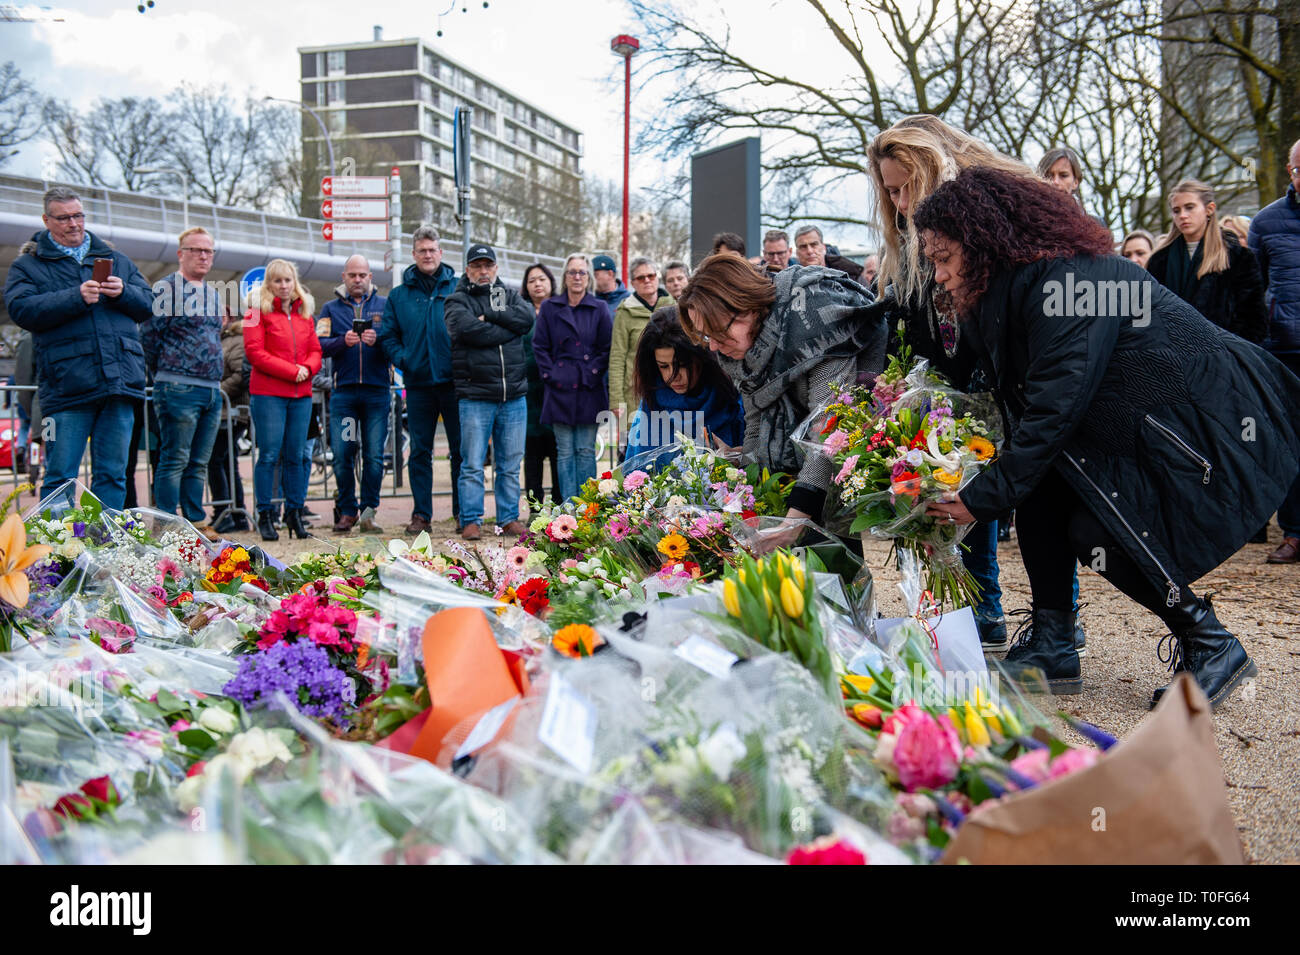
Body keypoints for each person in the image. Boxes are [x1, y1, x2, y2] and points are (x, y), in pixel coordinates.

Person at [915, 165, 1300, 709]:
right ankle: (1053, 645)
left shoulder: (1074, 283)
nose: (939, 275)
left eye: (944, 258)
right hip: (1131, 422)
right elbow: (995, 385)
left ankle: (1210, 641)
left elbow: (1054, 406)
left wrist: (980, 499)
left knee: (1099, 527)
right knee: (1043, 496)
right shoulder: (1007, 289)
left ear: (982, 245)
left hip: (1201, 418)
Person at [868, 114, 1036, 651]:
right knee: (944, 490)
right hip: (943, 384)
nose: (897, 202)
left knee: (999, 496)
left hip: (1003, 380)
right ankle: (968, 610)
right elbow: (911, 317)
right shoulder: (907, 242)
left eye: (904, 187)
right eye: (888, 192)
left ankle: (1048, 615)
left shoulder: (986, 222)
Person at [676, 253, 886, 550]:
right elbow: (755, 421)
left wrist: (792, 523)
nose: (713, 346)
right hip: (800, 469)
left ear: (746, 307)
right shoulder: (744, 350)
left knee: (831, 576)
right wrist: (745, 480)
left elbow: (828, 433)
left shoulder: (815, 318)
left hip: (844, 463)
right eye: (705, 336)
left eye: (718, 332)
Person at [4, 186, 152, 509]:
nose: (74, 224)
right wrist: (74, 297)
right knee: (60, 477)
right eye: (64, 218)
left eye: (78, 215)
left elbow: (149, 304)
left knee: (113, 474)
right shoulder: (28, 266)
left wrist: (124, 291)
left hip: (118, 385)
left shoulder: (116, 259)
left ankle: (109, 549)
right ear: (46, 220)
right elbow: (20, 309)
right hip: (66, 388)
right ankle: (56, 555)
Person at [444, 243, 534, 540]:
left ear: (496, 268)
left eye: (488, 265)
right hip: (475, 396)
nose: (483, 271)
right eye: (477, 266)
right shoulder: (457, 300)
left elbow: (527, 320)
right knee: (471, 464)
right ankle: (471, 519)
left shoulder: (510, 295)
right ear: (468, 269)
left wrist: (493, 317)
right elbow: (468, 331)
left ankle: (509, 518)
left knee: (509, 464)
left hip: (513, 396)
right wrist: (508, 326)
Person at [377, 226, 461, 536]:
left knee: (460, 452)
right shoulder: (399, 295)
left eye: (432, 250)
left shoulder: (458, 287)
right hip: (419, 383)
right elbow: (388, 336)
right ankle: (421, 514)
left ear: (441, 253)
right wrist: (405, 359)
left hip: (455, 382)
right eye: (422, 250)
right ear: (414, 255)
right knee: (420, 452)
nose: (427, 255)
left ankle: (463, 514)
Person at [144, 226, 225, 536]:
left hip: (210, 389)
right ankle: (164, 523)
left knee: (199, 461)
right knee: (174, 458)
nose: (203, 256)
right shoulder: (166, 290)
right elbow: (150, 338)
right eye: (196, 250)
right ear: (181, 254)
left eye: (208, 251)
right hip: (177, 386)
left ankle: (194, 520)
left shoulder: (214, 293)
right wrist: (166, 372)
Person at [244, 258, 321, 541]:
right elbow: (255, 352)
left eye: (288, 280)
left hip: (301, 395)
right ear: (269, 284)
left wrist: (308, 369)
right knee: (268, 455)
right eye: (277, 281)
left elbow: (315, 349)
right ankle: (265, 514)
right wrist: (294, 371)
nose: (284, 286)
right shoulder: (254, 311)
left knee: (297, 457)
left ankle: (294, 512)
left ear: (295, 282)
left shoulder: (305, 313)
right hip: (268, 394)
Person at [1249, 139, 1300, 565]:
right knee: (1290, 444)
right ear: (1289, 169)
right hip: (1286, 346)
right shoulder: (1266, 222)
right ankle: (1295, 531)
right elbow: (1254, 286)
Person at [318, 254, 389, 534]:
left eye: (362, 275)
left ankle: (369, 513)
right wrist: (341, 342)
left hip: (376, 395)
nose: (357, 280)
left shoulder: (385, 306)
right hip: (345, 396)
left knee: (373, 455)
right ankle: (347, 511)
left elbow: (397, 340)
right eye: (352, 275)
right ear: (344, 277)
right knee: (343, 453)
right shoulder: (330, 308)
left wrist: (379, 340)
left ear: (370, 277)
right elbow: (319, 343)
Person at [1146, 180, 1267, 344]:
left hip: (1224, 355)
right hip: (1172, 356)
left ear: (1209, 209)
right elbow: (1149, 315)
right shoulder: (1159, 261)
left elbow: (1253, 318)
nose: (1182, 215)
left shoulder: (1238, 257)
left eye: (1190, 207)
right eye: (1176, 210)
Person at [534, 253, 613, 502]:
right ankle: (568, 508)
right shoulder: (550, 307)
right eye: (572, 272)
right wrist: (553, 375)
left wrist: (591, 374)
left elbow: (606, 348)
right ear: (565, 277)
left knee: (586, 450)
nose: (577, 277)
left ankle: (588, 507)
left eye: (582, 272)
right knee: (565, 451)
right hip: (559, 389)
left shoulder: (599, 308)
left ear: (588, 277)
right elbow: (539, 346)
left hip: (589, 388)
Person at [625, 306, 745, 465]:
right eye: (663, 366)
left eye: (682, 365)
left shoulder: (729, 398)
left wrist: (736, 456)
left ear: (701, 359)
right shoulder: (651, 405)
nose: (673, 377)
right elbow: (637, 474)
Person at [610, 257, 674, 425]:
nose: (647, 280)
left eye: (651, 276)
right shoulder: (624, 313)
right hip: (635, 394)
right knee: (634, 444)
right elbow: (617, 357)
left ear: (657, 278)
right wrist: (616, 400)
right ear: (633, 283)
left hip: (670, 389)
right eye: (640, 277)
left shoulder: (673, 307)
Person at [520, 263, 559, 512]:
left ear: (551, 282)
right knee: (531, 458)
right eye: (532, 280)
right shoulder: (520, 312)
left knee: (558, 455)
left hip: (555, 393)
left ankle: (558, 508)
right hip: (527, 394)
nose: (537, 284)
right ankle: (535, 511)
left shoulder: (560, 310)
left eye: (542, 279)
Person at [208, 302, 250, 534]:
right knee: (224, 461)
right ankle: (233, 512)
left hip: (231, 411)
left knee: (217, 460)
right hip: (222, 410)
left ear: (228, 317)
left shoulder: (235, 340)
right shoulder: (216, 339)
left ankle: (225, 510)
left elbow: (239, 375)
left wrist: (215, 392)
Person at [792, 224, 864, 283]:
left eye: (814, 244)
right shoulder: (789, 281)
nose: (809, 251)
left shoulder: (851, 273)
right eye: (803, 247)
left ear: (823, 247)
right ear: (797, 252)